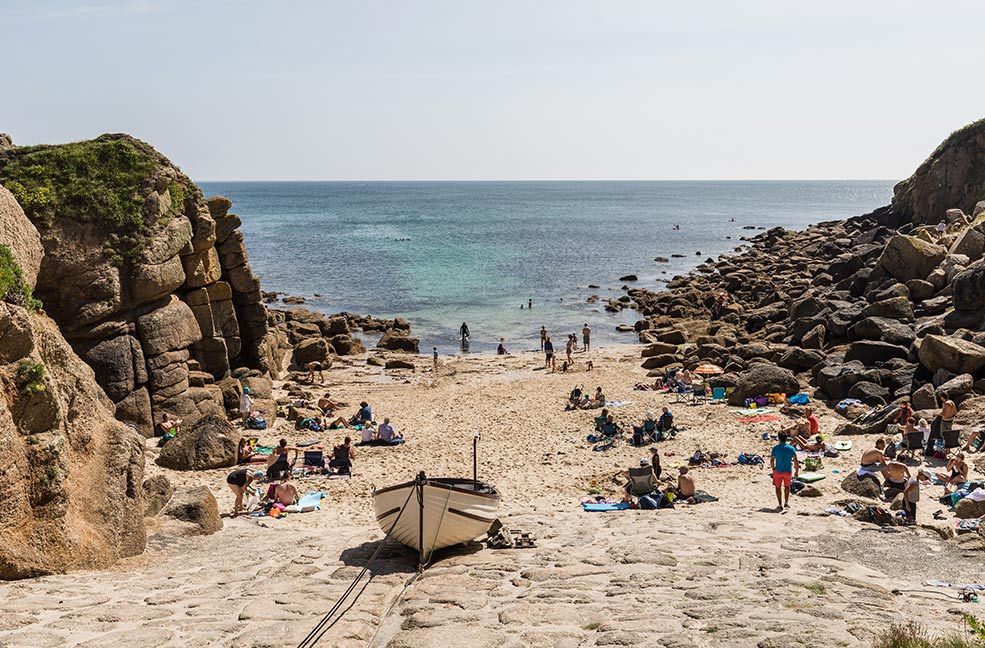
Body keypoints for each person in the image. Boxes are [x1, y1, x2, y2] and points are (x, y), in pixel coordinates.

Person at [770, 432, 799, 511]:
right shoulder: (791, 448)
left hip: (778, 471)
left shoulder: (775, 448)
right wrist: (797, 471)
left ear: (779, 439)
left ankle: (780, 504)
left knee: (778, 487)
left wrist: (773, 469)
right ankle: (786, 502)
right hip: (788, 471)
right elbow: (796, 461)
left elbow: (772, 460)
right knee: (787, 487)